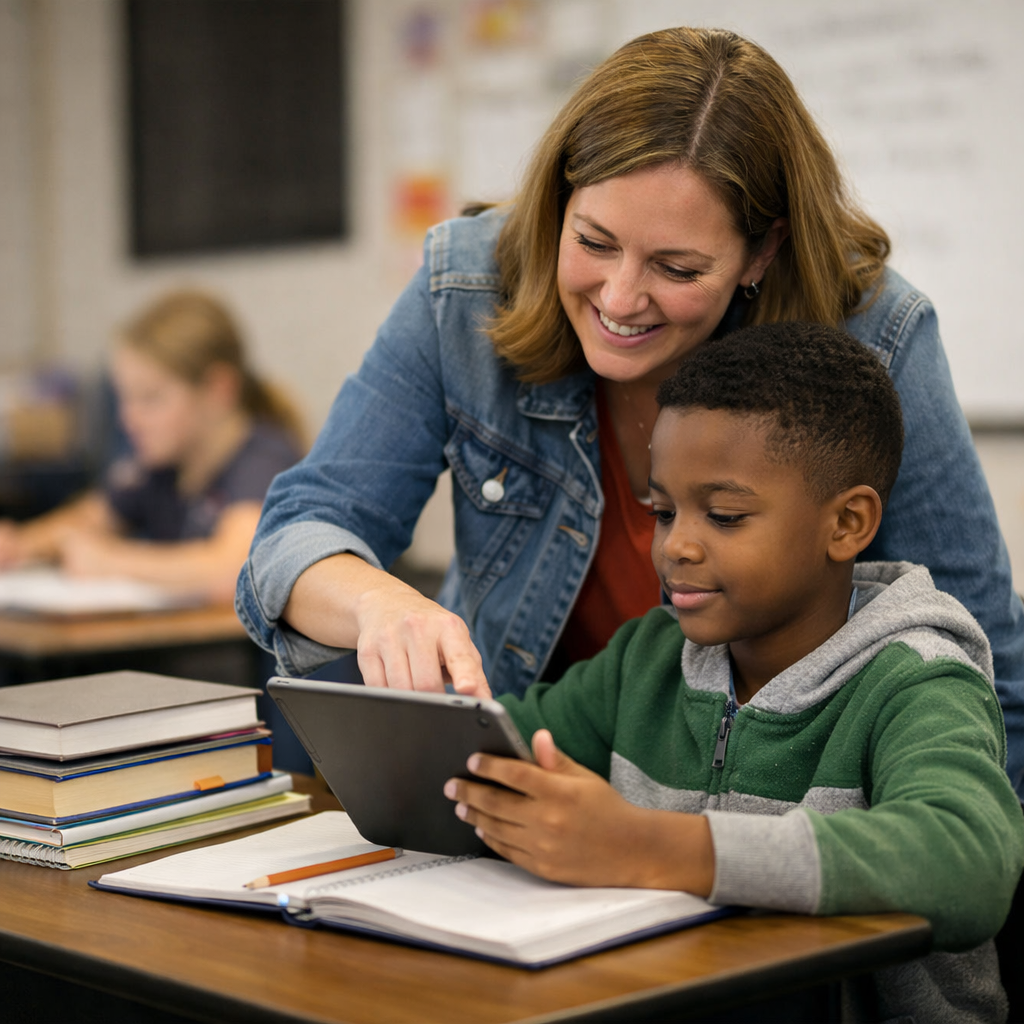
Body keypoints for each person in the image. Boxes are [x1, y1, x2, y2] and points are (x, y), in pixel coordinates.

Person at [236, 26, 1024, 795]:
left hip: (756, 832)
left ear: (761, 253)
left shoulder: (871, 335)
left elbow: (984, 668)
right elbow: (296, 534)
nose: (618, 299)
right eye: (594, 241)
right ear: (559, 201)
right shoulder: (466, 286)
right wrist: (379, 604)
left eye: (676, 266)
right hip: (513, 794)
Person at [444, 322, 1024, 1024]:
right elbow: (492, 752)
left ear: (847, 523)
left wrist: (654, 847)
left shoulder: (918, 680)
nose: (676, 547)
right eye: (662, 511)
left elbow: (967, 863)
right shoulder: (646, 661)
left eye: (723, 515)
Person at [0, 290, 303, 602]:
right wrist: (20, 544)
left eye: (150, 398)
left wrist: (113, 562)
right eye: (125, 398)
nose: (128, 419)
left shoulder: (264, 461)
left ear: (217, 389)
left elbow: (234, 568)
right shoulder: (161, 467)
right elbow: (89, 518)